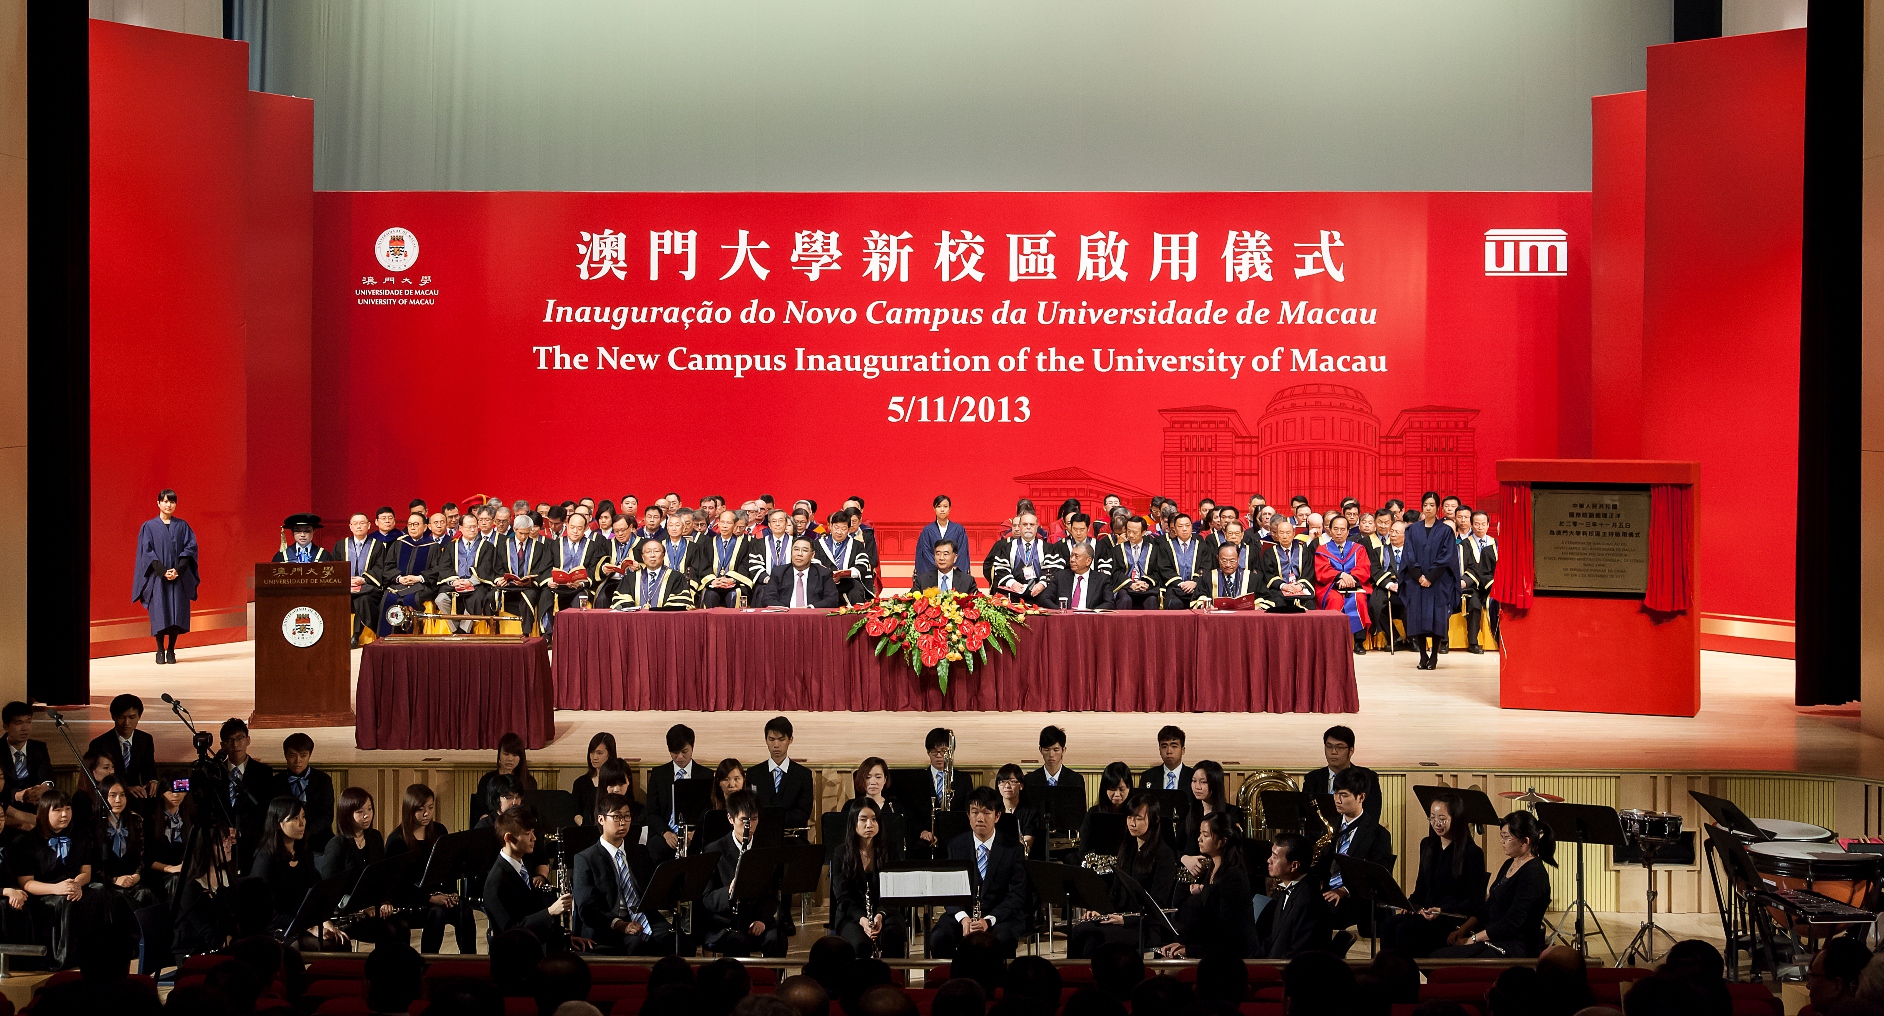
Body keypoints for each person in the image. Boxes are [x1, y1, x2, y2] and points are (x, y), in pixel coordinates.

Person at [1067, 792, 1176, 958]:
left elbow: (1157, 905)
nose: (1132, 823)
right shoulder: (1127, 849)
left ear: (1155, 820)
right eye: (1129, 817)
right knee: (1078, 931)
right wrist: (1100, 911)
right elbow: (1115, 892)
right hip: (1119, 919)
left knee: (1094, 939)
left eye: (1138, 818)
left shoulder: (1164, 855)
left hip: (1145, 926)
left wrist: (1125, 920)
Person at [1378, 791, 1486, 957]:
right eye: (1432, 818)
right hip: (1427, 913)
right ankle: (1386, 971)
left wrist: (1442, 909)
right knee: (1388, 925)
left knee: (1404, 931)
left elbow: (1475, 900)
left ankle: (1407, 971)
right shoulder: (1427, 845)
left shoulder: (1472, 852)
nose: (1436, 823)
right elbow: (1421, 888)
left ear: (1456, 818)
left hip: (1451, 916)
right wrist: (1411, 904)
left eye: (1442, 819)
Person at [1433, 810, 1552, 958]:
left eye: (1507, 837)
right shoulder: (1510, 863)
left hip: (1513, 946)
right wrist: (1462, 930)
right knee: (1434, 941)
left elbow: (1512, 922)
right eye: (1502, 836)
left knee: (1440, 958)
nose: (1502, 841)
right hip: (1493, 936)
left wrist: (1472, 940)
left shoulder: (1534, 874)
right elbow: (1488, 906)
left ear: (1525, 841)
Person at [928, 787, 1028, 957]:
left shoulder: (1013, 849)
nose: (980, 818)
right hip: (964, 915)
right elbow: (949, 891)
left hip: (999, 916)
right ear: (968, 815)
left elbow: (1016, 895)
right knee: (939, 937)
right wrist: (963, 919)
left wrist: (988, 920)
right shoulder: (955, 846)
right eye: (974, 812)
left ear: (997, 816)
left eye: (986, 812)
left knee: (1003, 939)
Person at [574, 793, 669, 954]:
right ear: (601, 819)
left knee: (679, 940)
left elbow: (651, 890)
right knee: (637, 945)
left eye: (627, 816)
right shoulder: (585, 859)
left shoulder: (639, 851)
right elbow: (587, 909)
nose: (623, 822)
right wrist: (619, 924)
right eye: (617, 817)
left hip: (642, 917)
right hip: (607, 925)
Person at [385, 783, 472, 954]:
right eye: (420, 809)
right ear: (409, 809)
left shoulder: (439, 831)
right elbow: (398, 887)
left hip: (436, 896)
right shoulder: (397, 841)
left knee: (464, 910)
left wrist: (451, 893)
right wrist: (430, 898)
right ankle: (427, 961)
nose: (426, 814)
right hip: (409, 902)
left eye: (430, 807)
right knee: (437, 913)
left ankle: (470, 960)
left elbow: (447, 867)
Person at [251, 796, 346, 949]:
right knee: (322, 946)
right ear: (278, 823)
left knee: (341, 942)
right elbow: (268, 913)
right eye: (295, 818)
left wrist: (324, 921)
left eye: (303, 817)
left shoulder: (304, 852)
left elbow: (314, 893)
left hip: (302, 922)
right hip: (277, 926)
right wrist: (309, 927)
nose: (302, 823)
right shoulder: (266, 859)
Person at [1158, 812, 1254, 960]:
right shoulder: (1213, 869)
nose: (1199, 839)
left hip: (1230, 956)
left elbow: (1226, 932)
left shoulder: (1233, 876)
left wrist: (1190, 950)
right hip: (1211, 949)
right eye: (1200, 833)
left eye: (1206, 835)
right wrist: (1184, 945)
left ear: (1222, 841)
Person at [701, 791, 786, 957]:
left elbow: (772, 893)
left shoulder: (766, 850)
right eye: (744, 820)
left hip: (757, 920)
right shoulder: (713, 851)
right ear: (730, 819)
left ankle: (772, 975)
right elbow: (706, 898)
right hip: (725, 923)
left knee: (777, 938)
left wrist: (762, 919)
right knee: (736, 941)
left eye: (754, 819)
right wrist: (729, 892)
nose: (750, 826)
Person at [1317, 768, 1394, 936]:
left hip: (1357, 898)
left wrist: (1343, 890)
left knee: (1320, 913)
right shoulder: (1330, 826)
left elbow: (1378, 876)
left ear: (1361, 797)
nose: (1337, 800)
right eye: (1335, 793)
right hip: (1329, 891)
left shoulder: (1378, 834)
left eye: (1344, 795)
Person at [482, 806, 572, 948]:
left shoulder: (523, 867)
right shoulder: (497, 882)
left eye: (533, 832)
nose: (534, 838)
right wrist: (550, 912)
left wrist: (566, 937)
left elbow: (531, 912)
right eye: (527, 834)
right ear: (508, 838)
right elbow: (511, 931)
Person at [831, 797, 905, 958]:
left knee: (893, 937)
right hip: (851, 916)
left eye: (874, 819)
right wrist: (862, 919)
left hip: (886, 912)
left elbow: (894, 893)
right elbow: (843, 898)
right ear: (854, 823)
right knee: (860, 945)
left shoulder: (890, 850)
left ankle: (892, 975)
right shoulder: (841, 853)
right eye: (863, 819)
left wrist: (880, 915)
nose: (869, 824)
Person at [134, 488, 199, 664]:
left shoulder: (183, 526)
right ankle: (159, 650)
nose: (168, 505)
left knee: (176, 614)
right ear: (158, 503)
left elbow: (190, 549)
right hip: (158, 578)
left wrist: (177, 570)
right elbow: (147, 552)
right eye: (165, 501)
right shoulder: (149, 527)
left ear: (175, 504)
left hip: (179, 577)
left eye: (171, 501)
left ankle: (171, 650)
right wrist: (163, 571)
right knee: (160, 613)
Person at [1401, 493, 1461, 670]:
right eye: (1426, 504)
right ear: (1422, 506)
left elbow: (1447, 556)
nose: (1428, 508)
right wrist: (1418, 576)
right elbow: (1408, 554)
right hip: (1416, 582)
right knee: (1417, 619)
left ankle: (1434, 655)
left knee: (1437, 619)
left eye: (1432, 505)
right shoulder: (1412, 530)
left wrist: (1431, 577)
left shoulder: (1445, 530)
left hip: (1438, 582)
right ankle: (1422, 655)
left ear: (1438, 508)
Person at [1253, 832, 1332, 958]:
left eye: (1275, 857)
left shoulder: (1308, 900)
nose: (1269, 860)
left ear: (1294, 866)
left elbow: (1300, 953)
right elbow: (1274, 939)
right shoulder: (1288, 890)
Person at [92, 775, 156, 911]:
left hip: (132, 880)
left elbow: (142, 855)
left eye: (122, 795)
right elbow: (92, 864)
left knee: (145, 893)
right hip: (106, 883)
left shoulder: (135, 820)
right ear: (103, 797)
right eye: (112, 795)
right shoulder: (93, 824)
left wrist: (136, 876)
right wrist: (114, 880)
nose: (118, 800)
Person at [218, 718, 274, 872]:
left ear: (248, 740)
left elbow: (266, 811)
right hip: (220, 846)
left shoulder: (263, 773)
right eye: (229, 740)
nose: (235, 744)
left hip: (253, 844)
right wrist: (224, 832)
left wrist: (242, 832)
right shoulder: (216, 772)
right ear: (222, 745)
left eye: (240, 738)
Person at [911, 727, 974, 861]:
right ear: (928, 752)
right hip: (926, 839)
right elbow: (911, 813)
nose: (939, 756)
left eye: (944, 751)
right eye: (934, 752)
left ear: (951, 752)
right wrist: (922, 831)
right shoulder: (917, 779)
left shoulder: (964, 780)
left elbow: (967, 812)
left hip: (955, 837)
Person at [1302, 726, 1383, 826]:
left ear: (1351, 750)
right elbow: (1306, 815)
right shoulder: (1312, 778)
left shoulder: (1368, 777)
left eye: (1340, 747)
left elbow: (1372, 816)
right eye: (1329, 746)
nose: (1333, 752)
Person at [333, 512, 394, 646]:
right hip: (346, 586)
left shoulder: (377, 545)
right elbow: (335, 567)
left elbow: (380, 567)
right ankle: (345, 635)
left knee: (363, 597)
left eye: (362, 523)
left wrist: (363, 579)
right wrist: (346, 580)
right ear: (350, 526)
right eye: (355, 524)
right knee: (355, 598)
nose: (359, 526)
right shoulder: (341, 545)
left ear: (369, 525)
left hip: (368, 586)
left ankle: (355, 636)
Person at [427, 514, 498, 629]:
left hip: (476, 585)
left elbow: (486, 567)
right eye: (469, 527)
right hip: (455, 583)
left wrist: (470, 582)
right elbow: (444, 566)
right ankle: (455, 629)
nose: (473, 530)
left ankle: (464, 630)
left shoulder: (487, 547)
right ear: (460, 528)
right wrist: (454, 581)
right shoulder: (451, 546)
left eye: (475, 526)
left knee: (475, 600)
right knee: (440, 599)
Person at [645, 726, 705, 860]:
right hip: (666, 833)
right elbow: (652, 811)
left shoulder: (705, 774)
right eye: (675, 752)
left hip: (693, 834)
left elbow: (707, 811)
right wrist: (666, 833)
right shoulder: (658, 774)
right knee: (655, 848)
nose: (680, 757)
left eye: (684, 751)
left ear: (692, 747)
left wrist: (694, 833)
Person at [271, 732, 336, 852]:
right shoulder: (276, 782)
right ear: (285, 755)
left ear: (310, 755)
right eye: (292, 755)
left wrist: (304, 833)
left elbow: (326, 816)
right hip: (285, 840)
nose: (298, 761)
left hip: (318, 840)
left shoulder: (323, 780)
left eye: (303, 755)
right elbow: (273, 816)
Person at [1316, 516, 1373, 654]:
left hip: (1355, 585)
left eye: (1342, 529)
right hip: (1331, 586)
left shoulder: (1358, 549)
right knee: (1335, 600)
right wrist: (1340, 576)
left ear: (1348, 531)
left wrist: (1349, 578)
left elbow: (1363, 568)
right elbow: (1322, 570)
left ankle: (1359, 642)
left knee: (1359, 599)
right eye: (1335, 529)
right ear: (1329, 530)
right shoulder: (1323, 550)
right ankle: (1332, 640)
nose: (1339, 532)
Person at [87, 693, 157, 798]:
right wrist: (125, 789)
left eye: (132, 717)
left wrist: (152, 781)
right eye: (122, 717)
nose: (126, 722)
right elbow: (98, 779)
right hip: (110, 796)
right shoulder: (99, 744)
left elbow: (149, 767)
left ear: (139, 716)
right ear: (113, 717)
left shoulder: (145, 739)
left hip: (137, 796)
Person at [380, 512, 438, 636]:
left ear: (425, 527)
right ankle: (388, 637)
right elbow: (388, 566)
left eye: (416, 524)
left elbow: (436, 570)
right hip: (399, 584)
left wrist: (419, 578)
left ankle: (412, 636)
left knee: (410, 598)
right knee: (389, 597)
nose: (412, 527)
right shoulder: (399, 544)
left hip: (421, 585)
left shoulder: (433, 547)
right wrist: (399, 578)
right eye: (410, 524)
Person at [687, 509, 760, 609]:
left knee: (734, 595)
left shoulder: (745, 545)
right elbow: (703, 565)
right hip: (713, 583)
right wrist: (712, 580)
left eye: (728, 523)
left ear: (734, 525)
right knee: (710, 595)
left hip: (735, 584)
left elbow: (745, 566)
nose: (724, 526)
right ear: (718, 524)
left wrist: (732, 579)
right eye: (722, 522)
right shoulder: (707, 543)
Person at [1177, 761, 1243, 868]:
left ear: (1215, 783)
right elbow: (1176, 847)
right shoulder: (1187, 811)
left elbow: (1234, 850)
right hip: (1189, 871)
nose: (1197, 787)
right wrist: (1184, 858)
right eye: (1194, 781)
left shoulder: (1232, 813)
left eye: (1203, 782)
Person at [494, 514, 552, 633]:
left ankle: (526, 633)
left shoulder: (539, 547)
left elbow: (541, 569)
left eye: (527, 533)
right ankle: (495, 632)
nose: (524, 536)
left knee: (529, 597)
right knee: (491, 597)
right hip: (508, 585)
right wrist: (501, 579)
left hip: (528, 587)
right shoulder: (502, 545)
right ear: (514, 529)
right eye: (521, 533)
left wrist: (530, 581)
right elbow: (497, 567)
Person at [753, 716, 813, 829]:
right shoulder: (754, 774)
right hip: (760, 834)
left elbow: (804, 812)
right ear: (766, 740)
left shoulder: (803, 775)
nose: (776, 745)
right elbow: (751, 808)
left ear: (790, 740)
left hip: (792, 835)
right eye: (771, 739)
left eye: (781, 739)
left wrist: (774, 819)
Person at [990, 512, 1059, 606]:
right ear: (1019, 527)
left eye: (1032, 524)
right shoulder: (1007, 548)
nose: (1028, 527)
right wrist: (1012, 583)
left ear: (1037, 527)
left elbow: (1053, 569)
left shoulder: (1048, 548)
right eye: (1025, 524)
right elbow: (1001, 569)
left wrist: (1042, 584)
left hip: (1040, 595)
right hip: (1014, 596)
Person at [470, 732, 537, 829]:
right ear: (499, 755)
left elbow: (530, 809)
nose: (510, 759)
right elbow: (480, 808)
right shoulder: (487, 780)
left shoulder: (529, 781)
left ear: (521, 758)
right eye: (506, 754)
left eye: (514, 755)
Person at [753, 537, 840, 609]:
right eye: (796, 549)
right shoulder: (779, 572)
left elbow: (832, 600)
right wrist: (787, 611)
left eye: (805, 550)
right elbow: (768, 598)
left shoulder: (823, 573)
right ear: (791, 552)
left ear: (812, 555)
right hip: (785, 618)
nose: (799, 554)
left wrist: (809, 608)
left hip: (812, 618)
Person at [810, 511, 875, 607]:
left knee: (857, 590)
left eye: (844, 529)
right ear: (830, 526)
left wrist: (844, 574)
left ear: (848, 529)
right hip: (824, 582)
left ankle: (856, 614)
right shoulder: (818, 544)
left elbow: (862, 564)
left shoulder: (856, 545)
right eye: (836, 528)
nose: (839, 532)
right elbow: (814, 563)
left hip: (848, 582)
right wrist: (829, 575)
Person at [1106, 517, 1172, 609]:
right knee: (1125, 599)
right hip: (1126, 587)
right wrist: (1130, 584)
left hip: (1146, 587)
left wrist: (1145, 582)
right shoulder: (1117, 550)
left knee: (1152, 600)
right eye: (1128, 531)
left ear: (1143, 532)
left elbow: (1158, 571)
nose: (1130, 535)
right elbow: (1115, 572)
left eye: (1135, 532)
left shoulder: (1154, 550)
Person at [611, 539, 694, 609]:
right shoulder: (630, 579)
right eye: (648, 552)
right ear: (643, 557)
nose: (652, 555)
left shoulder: (676, 577)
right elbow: (621, 603)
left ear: (663, 556)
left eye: (656, 551)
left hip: (664, 621)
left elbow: (678, 604)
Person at [1256, 516, 1316, 612]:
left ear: (1293, 534)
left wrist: (1300, 586)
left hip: (1300, 589)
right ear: (1276, 534)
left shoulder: (1304, 551)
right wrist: (1283, 585)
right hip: (1279, 590)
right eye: (1281, 533)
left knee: (1309, 604)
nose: (1284, 536)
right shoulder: (1269, 553)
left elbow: (1308, 572)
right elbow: (1268, 574)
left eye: (1288, 533)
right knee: (1279, 602)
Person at [1461, 511, 1497, 653]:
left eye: (1483, 524)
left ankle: (1499, 640)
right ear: (1471, 525)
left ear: (1488, 525)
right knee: (1474, 605)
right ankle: (1473, 643)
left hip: (1492, 585)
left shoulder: (1495, 544)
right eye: (1476, 524)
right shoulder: (1464, 545)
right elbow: (1466, 567)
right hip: (1473, 586)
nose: (1480, 527)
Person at [1370, 520, 1410, 650]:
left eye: (1397, 532)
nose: (1392, 534)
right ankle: (1394, 638)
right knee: (1375, 605)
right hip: (1386, 586)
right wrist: (1389, 584)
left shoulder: (1413, 552)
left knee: (1410, 604)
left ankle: (1412, 639)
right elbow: (1375, 571)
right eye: (1391, 531)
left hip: (1407, 586)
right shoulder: (1379, 551)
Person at [992, 764, 1043, 858]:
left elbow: (1027, 845)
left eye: (1012, 781)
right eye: (1002, 782)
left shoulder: (1031, 813)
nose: (1007, 786)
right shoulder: (993, 811)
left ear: (1021, 786)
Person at [1044, 543, 1114, 610]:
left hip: (1090, 617)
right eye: (1071, 556)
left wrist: (1092, 613)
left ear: (1088, 561)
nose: (1072, 560)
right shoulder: (1060, 577)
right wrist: (1060, 611)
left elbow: (1109, 603)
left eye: (1076, 556)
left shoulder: (1102, 579)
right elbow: (1044, 598)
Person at [914, 495, 971, 579]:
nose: (942, 510)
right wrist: (939, 566)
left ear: (950, 508)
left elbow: (962, 552)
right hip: (932, 573)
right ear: (934, 509)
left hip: (953, 574)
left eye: (945, 506)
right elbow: (925, 553)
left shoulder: (958, 529)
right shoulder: (927, 530)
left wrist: (952, 568)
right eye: (939, 506)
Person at [571, 732, 618, 829]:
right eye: (592, 752)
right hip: (586, 831)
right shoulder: (580, 783)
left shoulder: (617, 782)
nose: (594, 757)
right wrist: (587, 827)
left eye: (599, 753)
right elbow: (575, 812)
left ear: (610, 754)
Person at [1191, 543, 1256, 609]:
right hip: (1215, 615)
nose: (1228, 565)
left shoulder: (1251, 578)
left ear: (1238, 559)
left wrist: (1256, 607)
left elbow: (1260, 599)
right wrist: (1205, 605)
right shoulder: (1207, 578)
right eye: (1224, 561)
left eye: (1232, 561)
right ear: (1218, 558)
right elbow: (1199, 597)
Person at [1162, 513, 1205, 608]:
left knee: (1202, 604)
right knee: (1174, 604)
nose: (1184, 529)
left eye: (1187, 525)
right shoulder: (1166, 546)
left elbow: (1205, 565)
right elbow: (1165, 568)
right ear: (1174, 530)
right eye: (1180, 526)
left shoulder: (1201, 545)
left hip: (1197, 586)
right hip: (1175, 586)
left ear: (1192, 527)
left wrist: (1194, 582)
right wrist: (1181, 583)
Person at [1024, 726, 1084, 794]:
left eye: (1056, 750)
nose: (1051, 754)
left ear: (1063, 750)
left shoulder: (1075, 780)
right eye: (1047, 750)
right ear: (1040, 750)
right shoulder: (1029, 780)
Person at [911, 538, 978, 594]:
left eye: (945, 554)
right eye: (938, 554)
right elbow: (910, 600)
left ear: (955, 557)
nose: (941, 558)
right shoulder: (922, 580)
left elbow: (977, 601)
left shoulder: (967, 581)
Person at [1138, 725, 1192, 792]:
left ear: (1183, 750)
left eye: (1174, 746)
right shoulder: (1148, 776)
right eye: (1164, 747)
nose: (1169, 751)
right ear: (1159, 749)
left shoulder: (1193, 777)